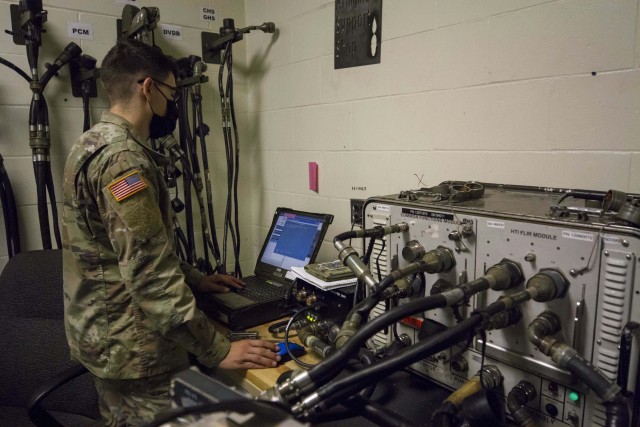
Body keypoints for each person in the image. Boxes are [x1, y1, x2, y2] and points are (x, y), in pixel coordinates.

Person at [62, 38, 280, 426]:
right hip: (137, 351)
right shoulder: (123, 160)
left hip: (104, 338)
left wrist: (197, 279)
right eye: (170, 94)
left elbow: (128, 249)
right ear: (148, 88)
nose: (172, 106)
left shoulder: (88, 144)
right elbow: (149, 274)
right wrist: (217, 350)